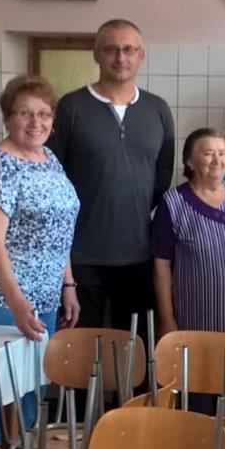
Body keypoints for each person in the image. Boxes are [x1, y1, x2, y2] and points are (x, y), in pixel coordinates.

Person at [0, 74, 80, 446]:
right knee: (4, 391)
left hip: (46, 294)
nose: (36, 122)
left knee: (31, 386)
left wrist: (68, 284)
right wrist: (16, 302)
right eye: (25, 113)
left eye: (44, 114)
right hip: (7, 297)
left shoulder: (49, 158)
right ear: (7, 117)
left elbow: (60, 228)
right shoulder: (1, 162)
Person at [46, 18, 174, 342]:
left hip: (137, 255)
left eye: (129, 50)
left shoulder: (158, 110)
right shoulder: (71, 107)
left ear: (141, 56)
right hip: (81, 257)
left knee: (134, 352)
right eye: (111, 49)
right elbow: (52, 177)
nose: (121, 58)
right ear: (96, 54)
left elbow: (161, 180)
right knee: (79, 352)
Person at [152, 128, 225, 336]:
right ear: (190, 162)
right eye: (208, 153)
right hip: (193, 316)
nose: (217, 160)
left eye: (223, 153)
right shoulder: (173, 202)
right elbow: (161, 264)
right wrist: (166, 318)